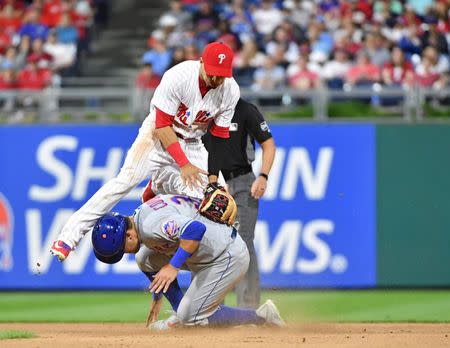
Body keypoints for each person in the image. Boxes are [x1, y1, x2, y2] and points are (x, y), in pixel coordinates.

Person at [51, 41, 240, 261]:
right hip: (156, 137)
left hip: (192, 143)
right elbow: (162, 126)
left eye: (222, 75)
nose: (217, 80)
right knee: (125, 181)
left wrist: (213, 181)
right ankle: (68, 237)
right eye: (213, 73)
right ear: (201, 63)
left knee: (220, 200)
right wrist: (183, 164)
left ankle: (161, 188)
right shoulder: (178, 77)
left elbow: (218, 138)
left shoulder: (230, 90)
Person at [91, 193, 285, 329]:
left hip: (226, 256)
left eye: (120, 249)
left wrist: (173, 266)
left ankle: (262, 316)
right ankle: (181, 314)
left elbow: (195, 230)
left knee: (191, 317)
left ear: (128, 235)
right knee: (144, 258)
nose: (123, 253)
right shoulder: (141, 215)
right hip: (208, 251)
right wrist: (158, 294)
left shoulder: (151, 227)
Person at [203, 98, 276, 309]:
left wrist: (263, 176)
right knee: (208, 244)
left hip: (241, 181)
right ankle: (209, 308)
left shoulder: (245, 109)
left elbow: (268, 144)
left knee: (243, 243)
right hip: (212, 184)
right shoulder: (205, 108)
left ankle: (249, 309)